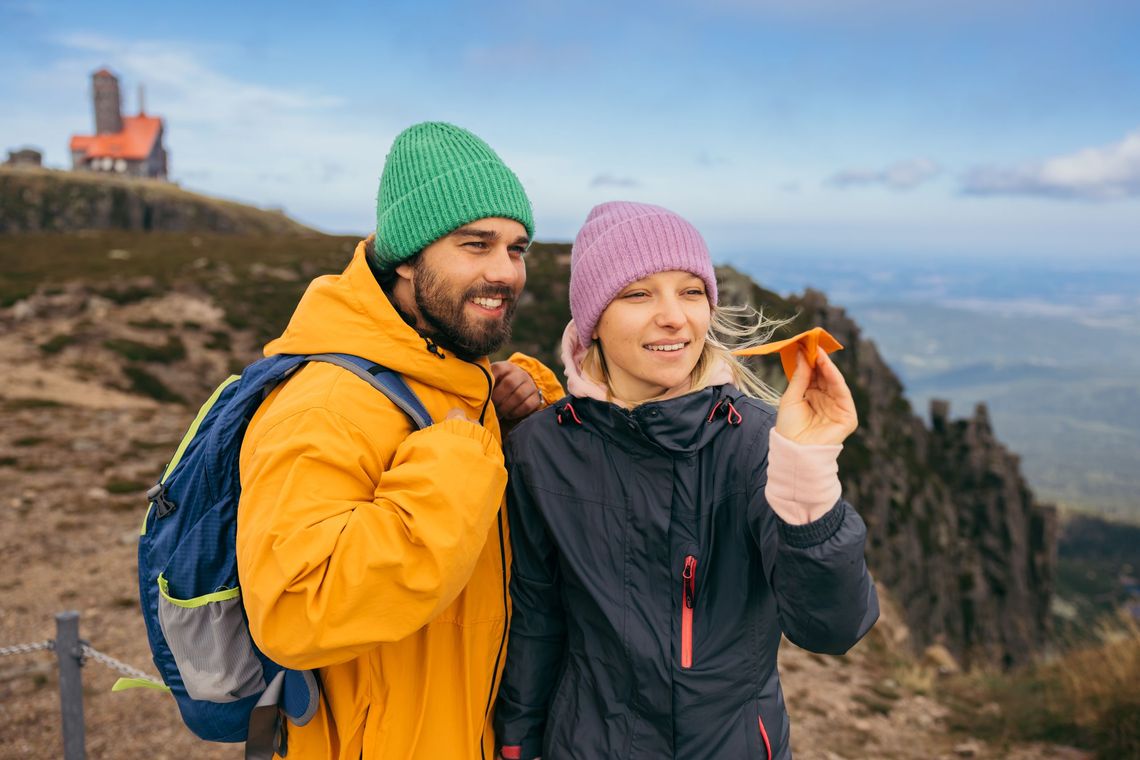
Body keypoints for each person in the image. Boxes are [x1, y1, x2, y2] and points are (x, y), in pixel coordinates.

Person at [495, 201, 880, 759]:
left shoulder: (758, 444)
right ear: (593, 320)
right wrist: (517, 743)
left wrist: (807, 476)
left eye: (691, 291)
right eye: (638, 293)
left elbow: (833, 628)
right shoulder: (540, 450)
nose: (674, 316)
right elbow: (537, 618)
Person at [236, 122, 564, 759]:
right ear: (407, 258)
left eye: (517, 248)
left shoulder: (447, 379)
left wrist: (509, 423)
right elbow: (294, 612)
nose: (506, 271)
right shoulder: (326, 403)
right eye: (476, 245)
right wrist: (461, 462)